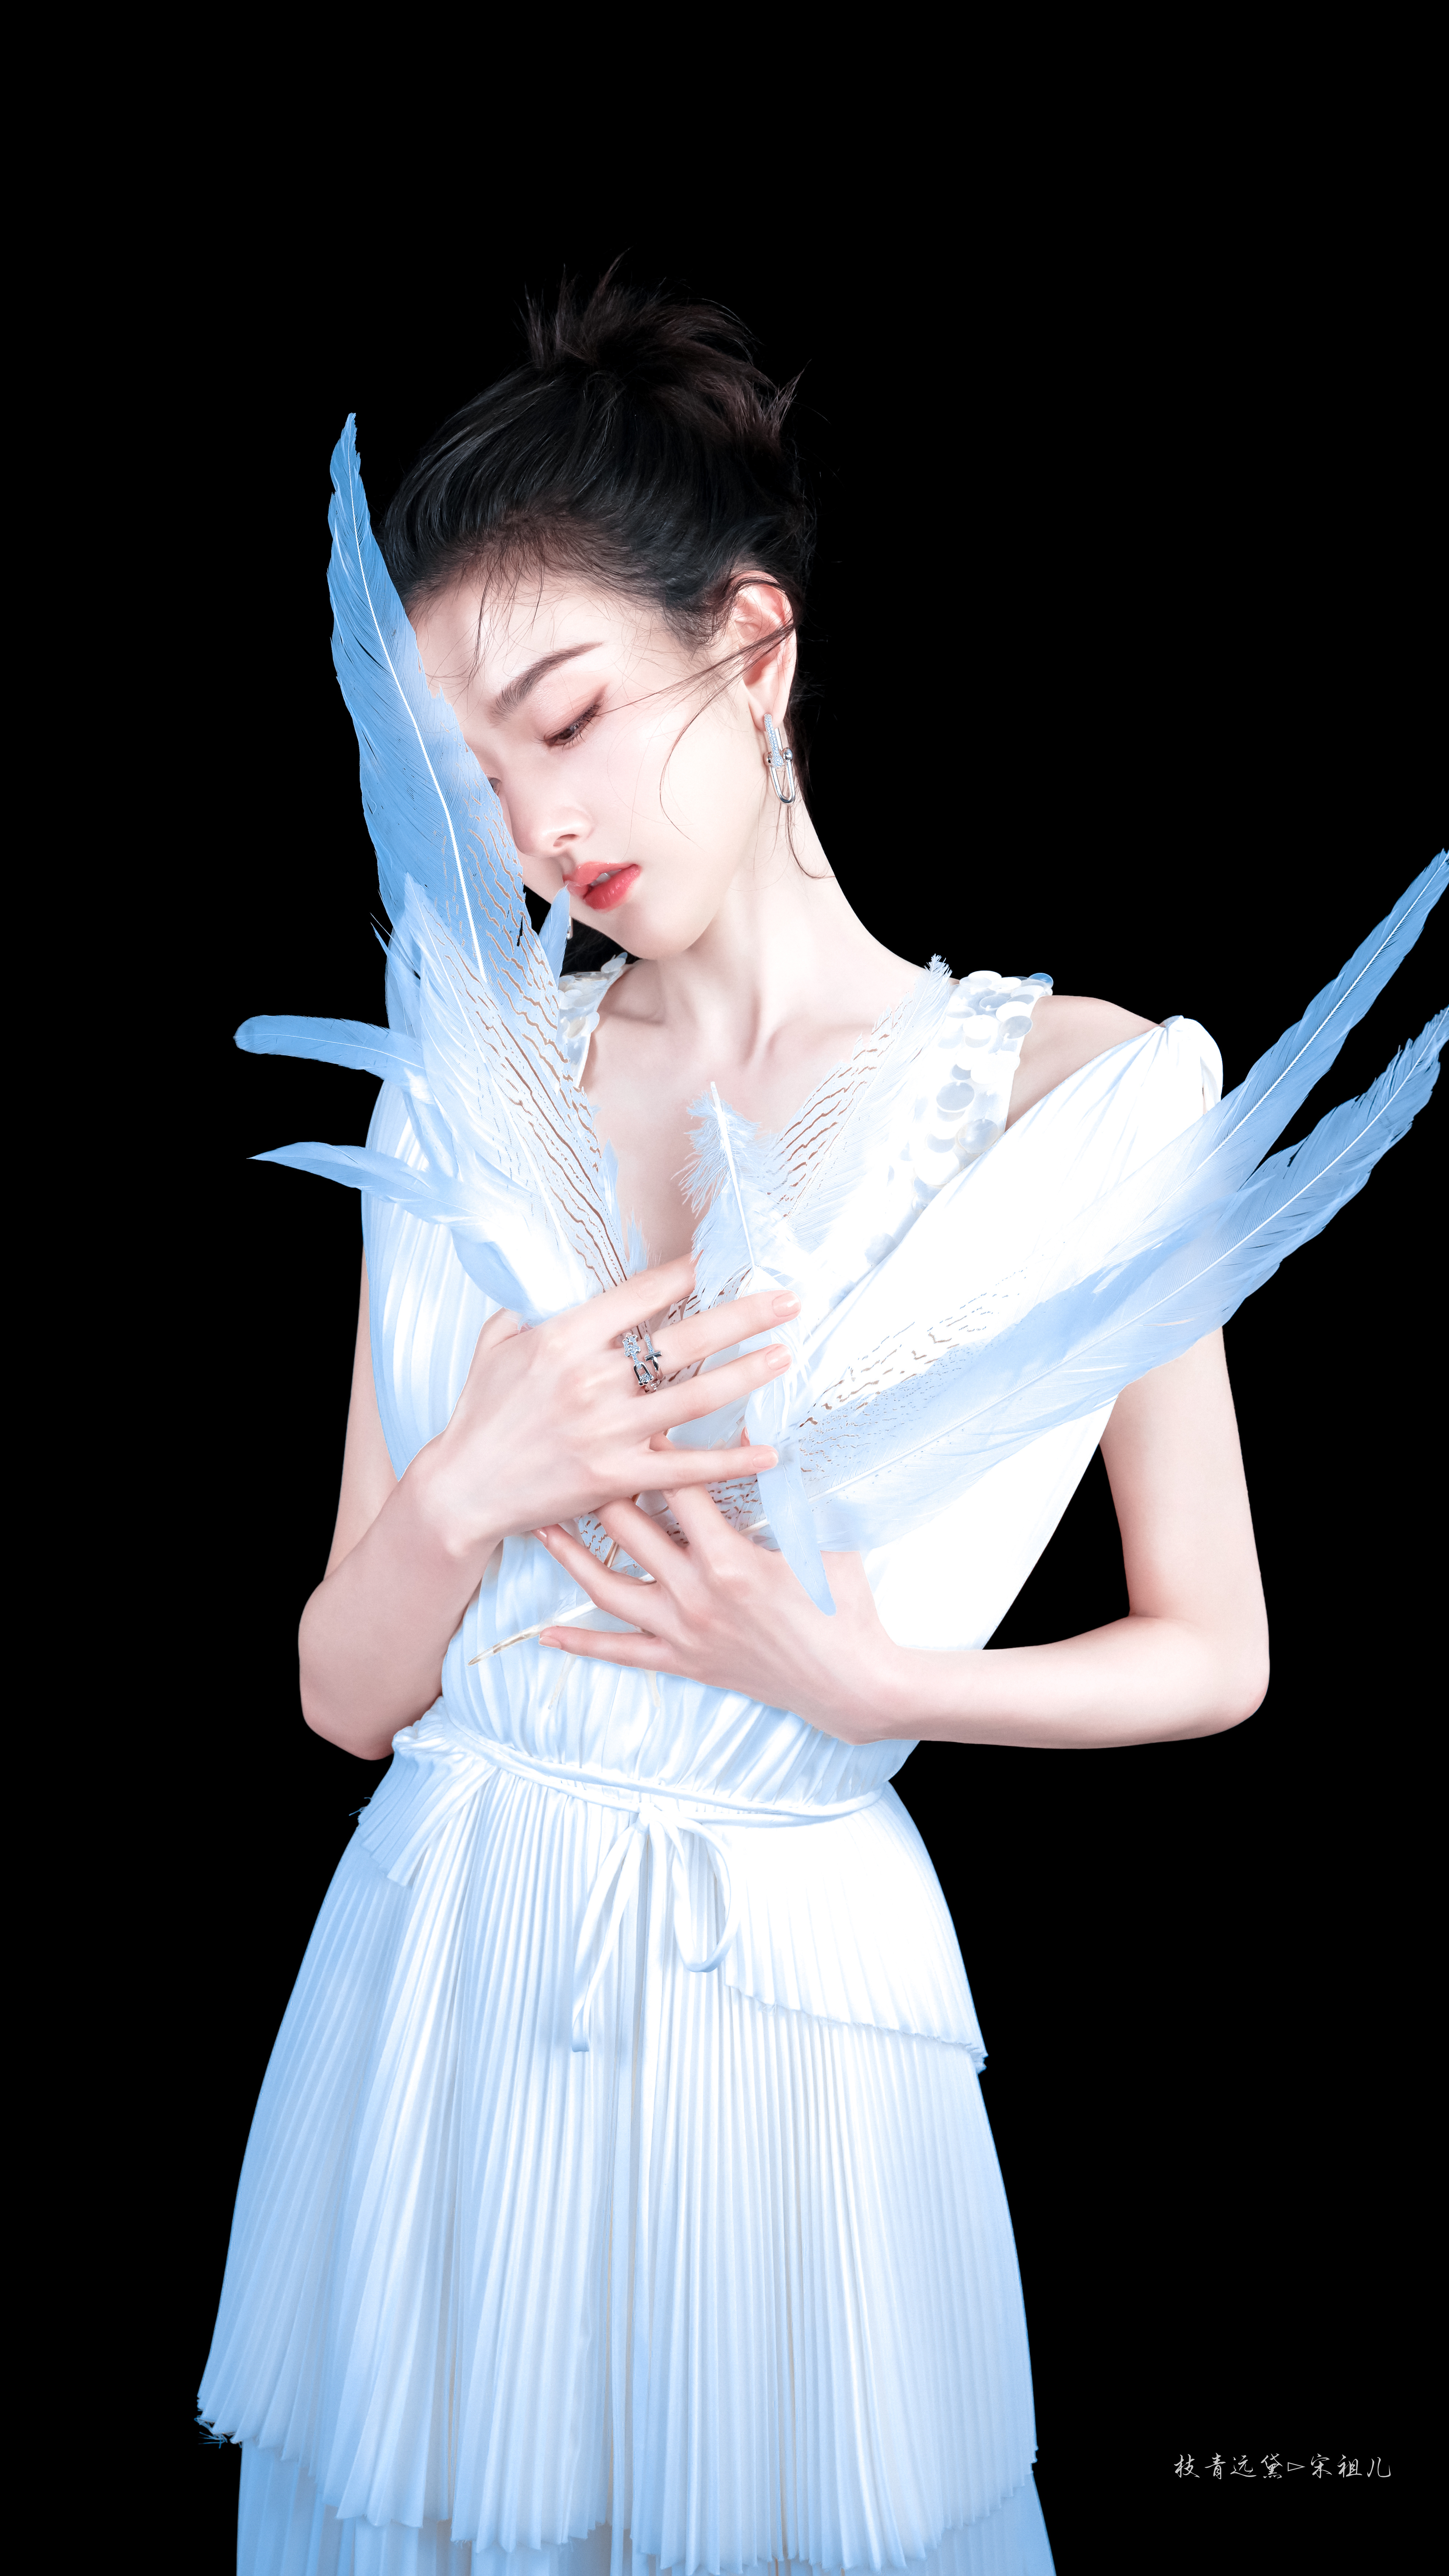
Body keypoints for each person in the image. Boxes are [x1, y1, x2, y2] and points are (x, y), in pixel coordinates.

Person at [200, 276, 1444, 2576]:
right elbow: (342, 1693)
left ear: (749, 649)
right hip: (444, 1965)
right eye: (472, 776)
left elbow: (1216, 1646)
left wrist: (872, 1681)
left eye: (569, 718)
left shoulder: (1087, 1095)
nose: (533, 821)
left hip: (785, 1991)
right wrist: (470, 1484)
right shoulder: (463, 1080)